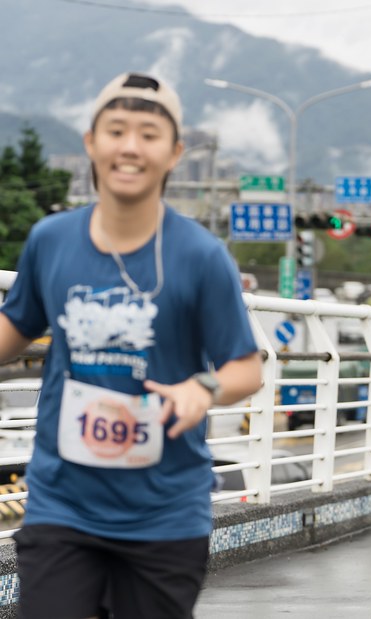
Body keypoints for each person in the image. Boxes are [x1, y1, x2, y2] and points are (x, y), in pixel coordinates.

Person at [0, 72, 263, 618]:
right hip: (61, 506)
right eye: (116, 130)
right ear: (91, 143)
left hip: (164, 515)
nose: (130, 146)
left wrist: (202, 387)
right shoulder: (51, 241)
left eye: (148, 133)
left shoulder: (201, 255)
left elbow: (246, 367)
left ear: (174, 153)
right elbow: (14, 328)